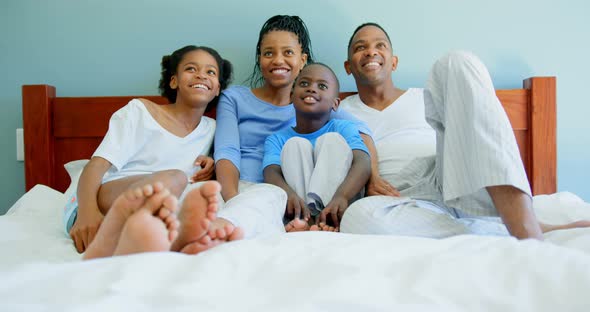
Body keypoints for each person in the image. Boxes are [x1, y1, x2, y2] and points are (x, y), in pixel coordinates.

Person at [338, 23, 590, 240]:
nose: (371, 50)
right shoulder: (340, 110)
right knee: (356, 218)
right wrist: (367, 178)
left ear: (393, 62)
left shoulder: (429, 96)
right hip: (395, 197)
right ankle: (500, 230)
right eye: (360, 47)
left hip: (451, 177)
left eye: (380, 45)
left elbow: (472, 132)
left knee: (456, 62)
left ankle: (524, 224)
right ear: (349, 66)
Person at [211, 15, 373, 238]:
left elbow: (362, 134)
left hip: (295, 196)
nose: (278, 60)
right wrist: (234, 199)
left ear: (302, 59)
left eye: (288, 52)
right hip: (244, 189)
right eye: (269, 53)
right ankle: (226, 229)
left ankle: (311, 222)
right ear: (259, 59)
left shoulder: (317, 104)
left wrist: (376, 179)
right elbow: (227, 151)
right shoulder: (234, 98)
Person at [69, 45, 233, 253]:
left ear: (218, 88)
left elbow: (225, 164)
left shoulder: (212, 129)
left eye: (211, 72)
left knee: (193, 198)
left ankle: (150, 238)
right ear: (173, 81)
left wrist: (212, 164)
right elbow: (97, 165)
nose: (201, 75)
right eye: (191, 69)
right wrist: (87, 212)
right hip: (108, 199)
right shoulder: (139, 111)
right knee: (175, 178)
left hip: (159, 209)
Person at [263, 63, 371, 231]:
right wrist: (289, 194)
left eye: (322, 86)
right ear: (291, 96)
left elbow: (363, 162)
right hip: (299, 208)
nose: (311, 89)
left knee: (331, 140)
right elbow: (271, 172)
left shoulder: (343, 128)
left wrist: (342, 196)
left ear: (335, 104)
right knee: (295, 144)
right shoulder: (277, 138)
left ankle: (328, 219)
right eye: (304, 83)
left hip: (340, 204)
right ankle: (309, 221)